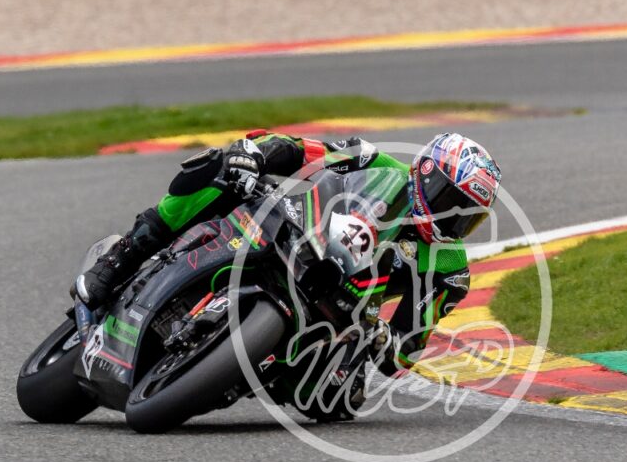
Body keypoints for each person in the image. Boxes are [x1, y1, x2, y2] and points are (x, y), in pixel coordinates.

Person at [73, 131, 502, 414]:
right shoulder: (373, 161)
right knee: (219, 171)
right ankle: (121, 258)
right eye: (450, 200)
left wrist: (384, 339)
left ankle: (223, 371)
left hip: (343, 311)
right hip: (296, 235)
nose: (453, 219)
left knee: (336, 400)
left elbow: (407, 348)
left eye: (468, 216)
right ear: (424, 173)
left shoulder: (449, 270)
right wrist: (256, 155)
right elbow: (302, 150)